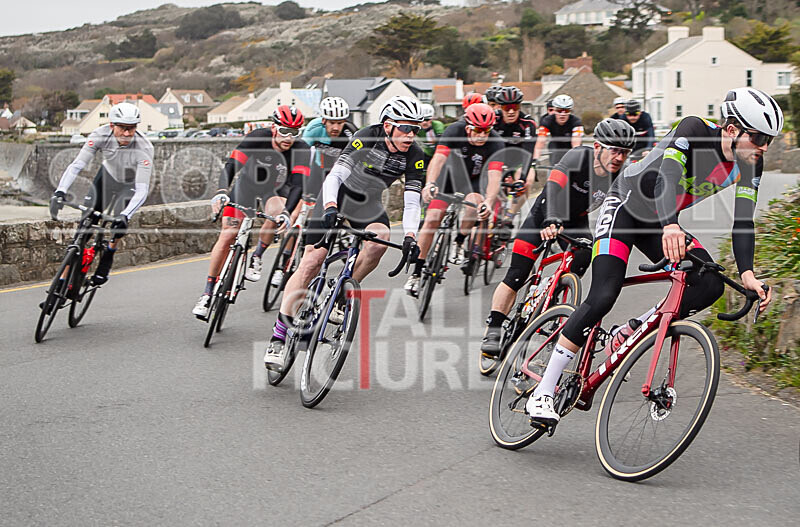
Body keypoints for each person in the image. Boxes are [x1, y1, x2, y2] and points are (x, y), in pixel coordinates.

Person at [526, 88, 781, 424]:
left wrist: (747, 273)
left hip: (659, 221)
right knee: (604, 293)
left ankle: (630, 330)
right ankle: (543, 390)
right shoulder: (694, 130)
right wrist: (672, 225)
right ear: (732, 129)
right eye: (759, 137)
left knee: (709, 284)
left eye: (769, 140)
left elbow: (744, 220)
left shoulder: (751, 162)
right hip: (626, 208)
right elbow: (668, 177)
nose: (764, 147)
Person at [264, 96, 426, 371]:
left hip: (368, 203)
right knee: (311, 263)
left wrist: (411, 236)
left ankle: (341, 294)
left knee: (380, 242)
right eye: (404, 128)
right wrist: (329, 208)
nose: (410, 135)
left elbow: (412, 201)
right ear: (387, 126)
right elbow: (335, 176)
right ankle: (278, 337)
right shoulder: (365, 137)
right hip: (338, 196)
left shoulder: (415, 156)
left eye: (415, 129)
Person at [480, 119, 636, 355]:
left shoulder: (620, 175)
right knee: (517, 275)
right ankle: (493, 328)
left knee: (586, 253)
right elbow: (553, 187)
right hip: (545, 212)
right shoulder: (578, 158)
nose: (619, 157)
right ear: (597, 147)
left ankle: (553, 298)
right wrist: (551, 219)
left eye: (624, 152)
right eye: (614, 150)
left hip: (576, 221)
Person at [191, 105, 310, 318]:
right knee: (228, 234)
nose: (289, 137)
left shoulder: (301, 149)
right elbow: (232, 164)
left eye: (294, 132)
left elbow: (299, 185)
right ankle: (207, 292)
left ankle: (257, 255)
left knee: (278, 213)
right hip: (247, 185)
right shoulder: (258, 137)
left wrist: (287, 213)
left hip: (275, 189)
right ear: (274, 128)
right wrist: (221, 192)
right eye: (284, 131)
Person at [405, 103, 504, 296]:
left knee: (475, 204)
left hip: (474, 182)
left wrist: (489, 202)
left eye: (486, 130)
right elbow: (438, 159)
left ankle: (459, 241)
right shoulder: (454, 130)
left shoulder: (496, 142)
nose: (482, 135)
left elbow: (494, 176)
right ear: (467, 127)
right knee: (432, 218)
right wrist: (430, 183)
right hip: (448, 178)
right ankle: (416, 274)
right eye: (478, 130)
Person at [49, 102, 153, 285]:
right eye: (123, 128)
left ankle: (108, 256)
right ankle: (62, 280)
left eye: (132, 128)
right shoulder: (99, 135)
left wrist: (125, 215)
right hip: (107, 177)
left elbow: (142, 189)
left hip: (129, 184)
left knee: (119, 224)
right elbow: (76, 166)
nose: (128, 134)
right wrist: (60, 192)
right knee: (84, 228)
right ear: (112, 125)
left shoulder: (144, 148)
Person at [493, 86, 537, 215]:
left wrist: (521, 179)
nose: (511, 111)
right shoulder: (494, 120)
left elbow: (528, 152)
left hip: (520, 160)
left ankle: (510, 215)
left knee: (527, 182)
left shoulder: (528, 123)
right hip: (497, 159)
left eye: (515, 107)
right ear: (501, 107)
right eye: (507, 108)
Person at [534, 94, 584, 166]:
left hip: (571, 146)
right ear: (554, 110)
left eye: (566, 111)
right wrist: (535, 159)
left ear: (570, 111)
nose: (562, 114)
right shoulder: (547, 120)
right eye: (559, 110)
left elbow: (576, 144)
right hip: (556, 146)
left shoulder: (576, 122)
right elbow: (540, 142)